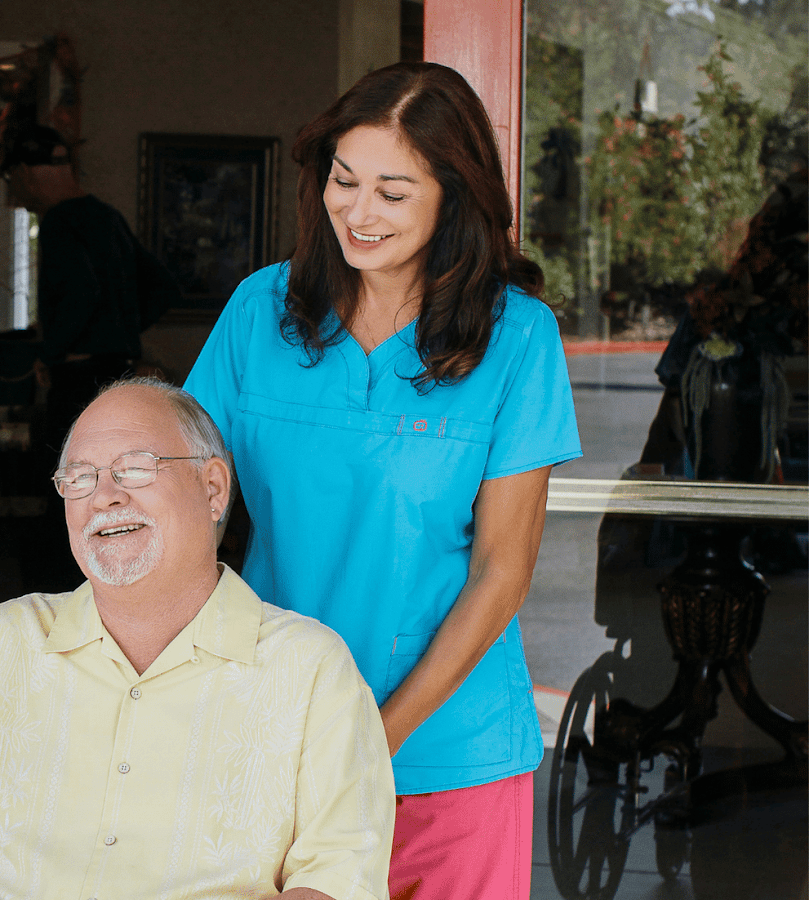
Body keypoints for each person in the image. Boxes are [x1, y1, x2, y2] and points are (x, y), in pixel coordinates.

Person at [184, 62, 582, 900]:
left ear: (454, 197)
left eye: (393, 193)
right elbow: (185, 504)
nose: (358, 213)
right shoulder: (261, 312)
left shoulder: (517, 341)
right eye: (343, 180)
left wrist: (372, 737)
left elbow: (501, 574)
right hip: (273, 735)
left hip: (450, 750)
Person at [0, 377, 395, 900]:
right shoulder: (0, 646)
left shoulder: (310, 669)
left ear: (213, 489)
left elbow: (336, 881)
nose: (105, 497)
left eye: (135, 469)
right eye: (80, 478)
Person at [0, 125, 179, 438]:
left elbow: (82, 292)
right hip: (119, 371)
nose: (15, 190)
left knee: (70, 471)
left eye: (13, 179)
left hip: (78, 378)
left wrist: (51, 353)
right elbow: (164, 287)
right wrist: (117, 334)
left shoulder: (58, 220)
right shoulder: (107, 216)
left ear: (25, 171)